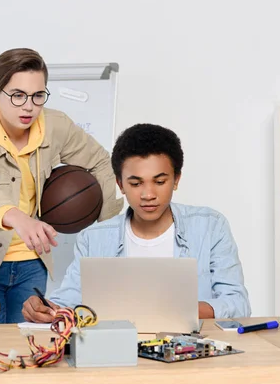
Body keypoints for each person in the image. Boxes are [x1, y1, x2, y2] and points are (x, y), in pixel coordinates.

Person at [0, 48, 123, 323]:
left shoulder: (55, 125)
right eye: (17, 95)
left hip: (31, 264)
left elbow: (101, 162)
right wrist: (17, 218)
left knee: (27, 351)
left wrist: (106, 231)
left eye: (38, 95)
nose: (29, 106)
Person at [21, 123, 251, 323]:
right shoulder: (94, 239)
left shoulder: (210, 226)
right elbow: (67, 300)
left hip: (190, 353)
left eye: (160, 181)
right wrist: (44, 308)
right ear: (120, 185)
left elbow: (238, 303)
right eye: (136, 183)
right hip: (117, 357)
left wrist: (181, 310)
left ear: (176, 180)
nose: (148, 194)